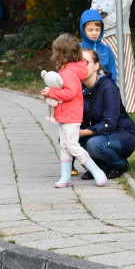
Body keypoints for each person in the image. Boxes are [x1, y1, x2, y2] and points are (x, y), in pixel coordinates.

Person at [41, 33, 107, 188]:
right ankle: (65, 177)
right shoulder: (69, 70)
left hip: (71, 117)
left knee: (72, 146)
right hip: (65, 116)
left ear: (61, 53)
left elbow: (70, 93)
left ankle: (97, 172)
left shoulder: (69, 72)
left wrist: (52, 93)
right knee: (65, 146)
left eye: (56, 52)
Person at [78, 48, 135, 179]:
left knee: (93, 145)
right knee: (66, 138)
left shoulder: (108, 88)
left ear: (96, 65)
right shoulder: (79, 88)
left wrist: (84, 132)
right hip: (99, 134)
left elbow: (109, 124)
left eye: (85, 62)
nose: (80, 66)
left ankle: (120, 164)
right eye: (77, 62)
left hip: (122, 134)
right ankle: (97, 168)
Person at [90, 0, 135, 113]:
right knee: (101, 72)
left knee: (121, 73)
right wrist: (95, 28)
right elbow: (92, 14)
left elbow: (118, 16)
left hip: (117, 36)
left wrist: (98, 25)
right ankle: (104, 107)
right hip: (99, 39)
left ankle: (126, 107)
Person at [79, 9, 117, 82]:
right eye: (90, 30)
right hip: (85, 89)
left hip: (105, 87)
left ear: (101, 30)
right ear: (83, 30)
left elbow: (112, 71)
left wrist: (111, 86)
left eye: (97, 30)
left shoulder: (106, 49)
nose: (94, 33)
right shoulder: (79, 49)